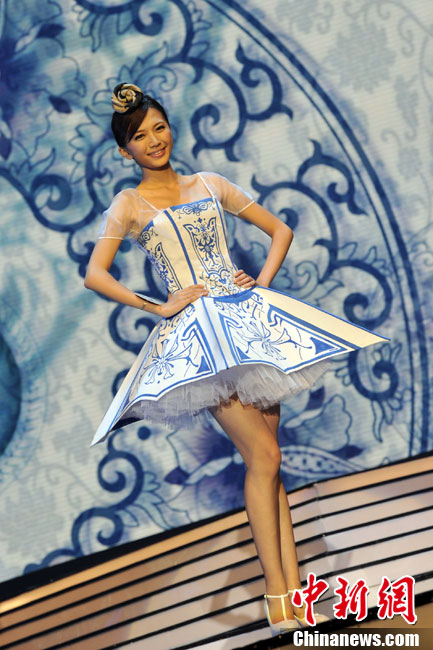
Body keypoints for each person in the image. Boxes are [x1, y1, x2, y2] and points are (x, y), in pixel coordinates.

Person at [84, 83, 387, 635]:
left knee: (270, 464)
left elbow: (280, 230)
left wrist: (261, 285)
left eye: (159, 127)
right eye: (140, 136)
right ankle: (278, 600)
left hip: (248, 327)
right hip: (200, 343)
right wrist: (160, 305)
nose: (154, 140)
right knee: (265, 457)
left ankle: (294, 599)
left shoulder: (210, 183)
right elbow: (95, 275)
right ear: (124, 151)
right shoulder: (128, 204)